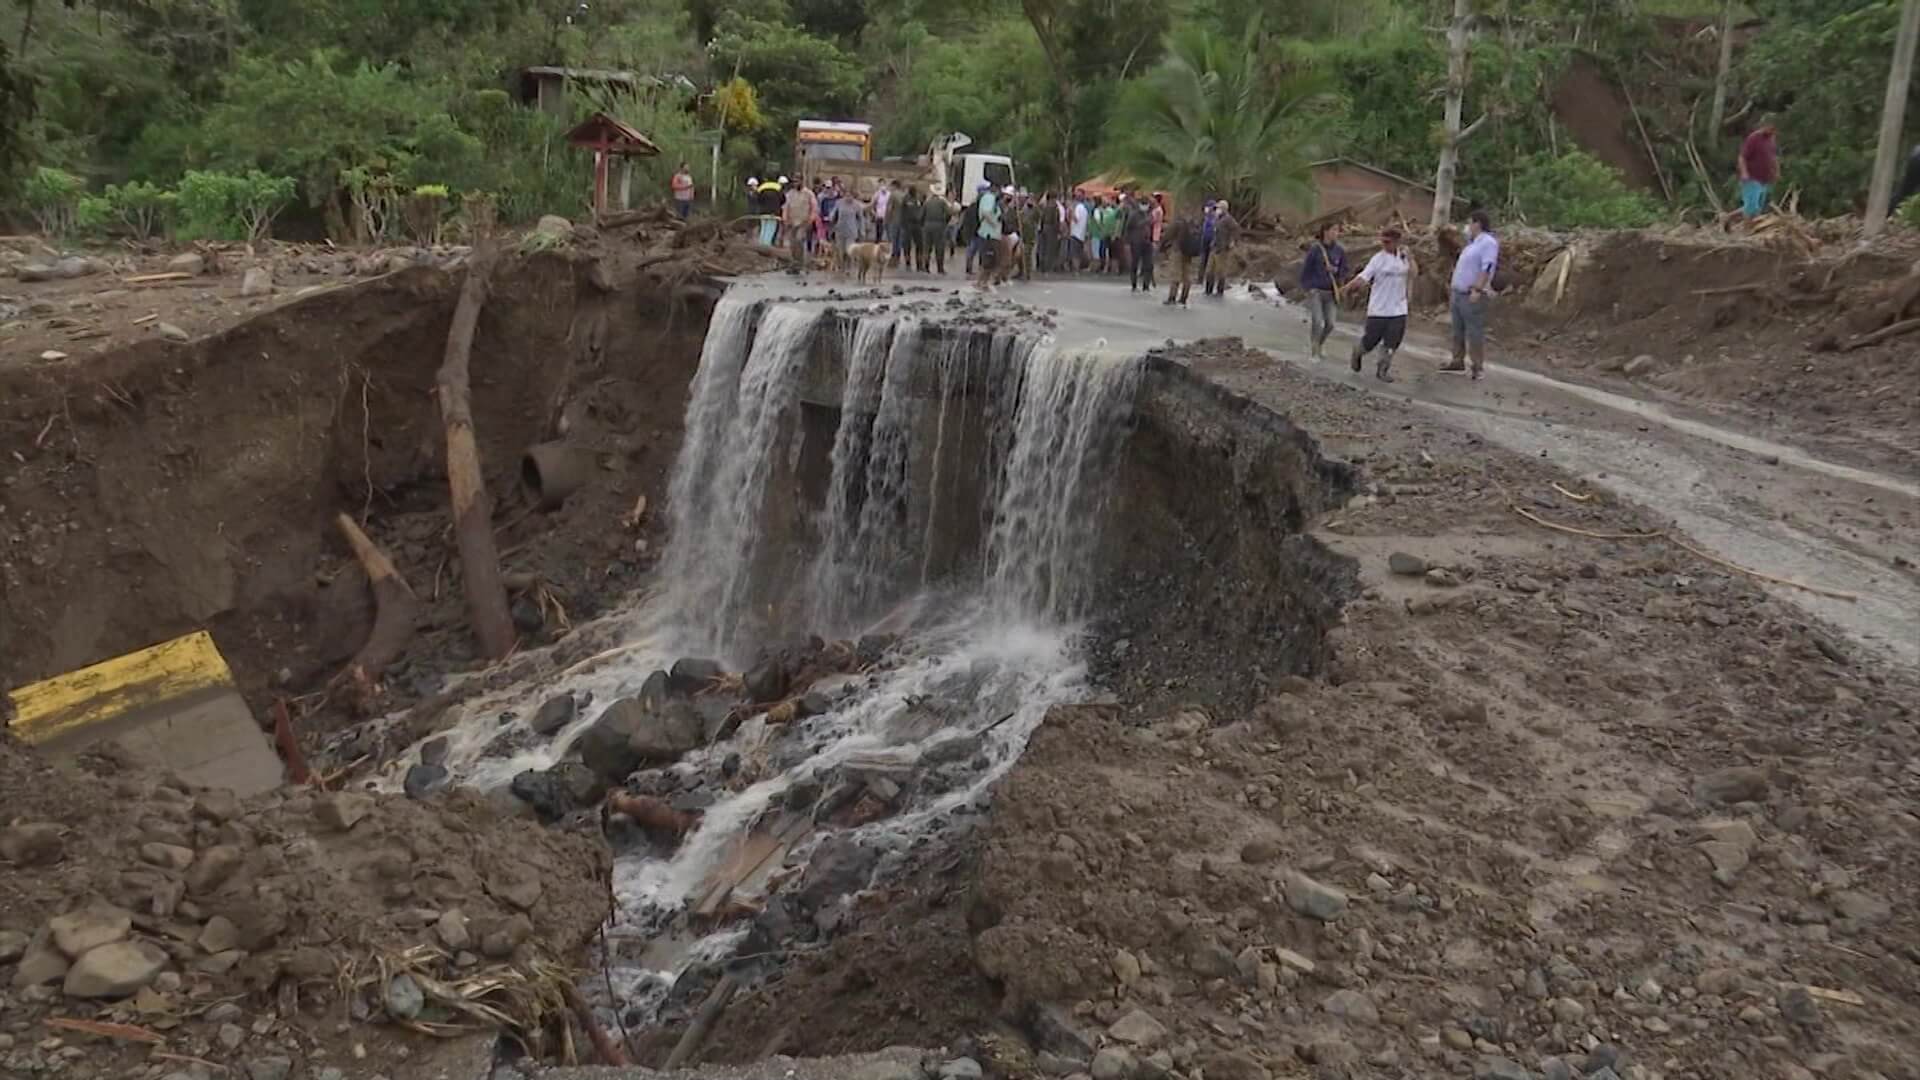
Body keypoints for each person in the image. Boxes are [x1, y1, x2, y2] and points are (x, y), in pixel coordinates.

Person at [1346, 226, 1416, 382]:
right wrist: (1350, 287)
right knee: (1370, 341)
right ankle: (1358, 352)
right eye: (1383, 242)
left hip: (1398, 308)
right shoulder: (1378, 259)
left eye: (1388, 242)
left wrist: (1410, 258)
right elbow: (1364, 276)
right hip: (1378, 309)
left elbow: (1414, 274)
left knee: (1392, 343)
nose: (1385, 245)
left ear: (1397, 242)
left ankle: (1382, 369)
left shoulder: (1404, 258)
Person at [1442, 208, 1499, 379]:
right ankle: (1457, 360)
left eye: (1470, 222)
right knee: (1457, 330)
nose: (1467, 226)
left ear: (1477, 224)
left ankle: (1477, 367)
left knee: (1474, 331)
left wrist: (1478, 289)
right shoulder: (1472, 244)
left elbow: (1487, 266)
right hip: (1458, 292)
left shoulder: (1488, 243)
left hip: (1472, 294)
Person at [1300, 222, 1349, 361]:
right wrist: (1307, 288)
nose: (1336, 233)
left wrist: (1337, 271)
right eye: (1334, 230)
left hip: (1331, 291)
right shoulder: (1315, 249)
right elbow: (1306, 270)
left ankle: (1320, 344)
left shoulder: (1340, 250)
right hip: (1316, 290)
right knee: (1317, 320)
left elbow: (1345, 269)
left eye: (1338, 230)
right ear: (1325, 231)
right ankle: (1314, 351)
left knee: (1331, 324)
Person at [1160, 205, 1202, 306]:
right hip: (1188, 252)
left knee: (1175, 274)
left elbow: (1168, 236)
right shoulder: (1194, 223)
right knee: (1187, 275)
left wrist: (1161, 247)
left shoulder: (1178, 222)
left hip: (1177, 250)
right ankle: (1184, 297)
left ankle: (1172, 297)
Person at [1737, 120, 1779, 222]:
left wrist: (1776, 171)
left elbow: (1773, 157)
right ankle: (1748, 229)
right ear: (1763, 126)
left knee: (1758, 206)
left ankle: (1727, 218)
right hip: (1752, 177)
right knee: (1752, 207)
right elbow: (1742, 157)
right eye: (1769, 127)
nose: (1771, 130)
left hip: (1764, 179)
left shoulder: (1771, 140)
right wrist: (1744, 172)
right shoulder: (1754, 138)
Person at [1203, 199, 1241, 297]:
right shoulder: (1217, 218)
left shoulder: (1228, 219)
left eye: (1219, 208)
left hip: (1223, 249)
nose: (1217, 210)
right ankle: (1208, 290)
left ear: (1224, 209)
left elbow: (1236, 229)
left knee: (1221, 271)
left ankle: (1220, 291)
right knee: (1209, 270)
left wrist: (1232, 241)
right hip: (1214, 247)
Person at [1122, 191, 1155, 294]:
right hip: (1136, 241)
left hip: (1147, 242)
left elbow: (1151, 227)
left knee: (1148, 264)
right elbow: (1128, 228)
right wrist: (1127, 241)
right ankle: (1134, 284)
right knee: (1135, 263)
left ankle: (1146, 285)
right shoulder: (1134, 215)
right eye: (1143, 204)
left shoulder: (1149, 214)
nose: (1145, 206)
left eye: (1147, 204)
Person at [782, 180, 817, 273]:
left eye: (797, 181)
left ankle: (799, 263)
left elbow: (814, 208)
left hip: (803, 222)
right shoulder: (790, 194)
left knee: (799, 240)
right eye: (794, 182)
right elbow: (786, 206)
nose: (795, 183)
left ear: (802, 181)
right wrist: (785, 219)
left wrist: (811, 219)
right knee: (792, 243)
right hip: (792, 222)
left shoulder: (809, 194)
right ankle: (794, 263)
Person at [974, 182, 1003, 289]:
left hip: (993, 235)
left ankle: (984, 282)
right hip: (988, 234)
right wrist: (994, 223)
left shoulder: (993, 199)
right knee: (988, 260)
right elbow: (986, 213)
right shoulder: (989, 198)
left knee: (991, 261)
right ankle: (980, 282)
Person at [831, 190, 867, 270]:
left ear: (853, 197)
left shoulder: (857, 205)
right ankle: (842, 266)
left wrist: (862, 231)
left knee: (849, 250)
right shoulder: (839, 203)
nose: (848, 198)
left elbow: (861, 219)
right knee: (841, 250)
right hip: (840, 229)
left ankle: (849, 267)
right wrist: (831, 218)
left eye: (850, 196)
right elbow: (834, 213)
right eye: (846, 196)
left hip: (851, 230)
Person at [920, 188, 951, 273]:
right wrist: (945, 222)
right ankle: (940, 268)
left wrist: (923, 224)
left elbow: (921, 215)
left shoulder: (927, 203)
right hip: (939, 226)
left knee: (927, 248)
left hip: (927, 226)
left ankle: (926, 267)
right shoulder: (942, 203)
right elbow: (949, 213)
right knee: (939, 248)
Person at [898, 185, 924, 269]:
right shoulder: (905, 199)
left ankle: (919, 263)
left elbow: (922, 209)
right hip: (907, 224)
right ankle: (908, 262)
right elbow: (902, 211)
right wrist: (902, 223)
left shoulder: (918, 199)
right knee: (907, 244)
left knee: (920, 245)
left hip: (918, 224)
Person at [1037, 192, 1061, 275]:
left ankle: (1041, 266)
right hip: (1051, 229)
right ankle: (1047, 268)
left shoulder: (1044, 207)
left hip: (1044, 228)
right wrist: (1058, 231)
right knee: (1049, 249)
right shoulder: (1055, 208)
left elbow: (1041, 218)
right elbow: (1056, 221)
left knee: (1043, 248)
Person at [1068, 193, 1091, 271]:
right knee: (1079, 252)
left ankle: (1076, 269)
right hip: (1081, 233)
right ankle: (1077, 268)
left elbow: (1076, 219)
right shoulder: (1085, 209)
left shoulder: (1078, 208)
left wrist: (1071, 211)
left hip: (1075, 233)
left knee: (1075, 254)